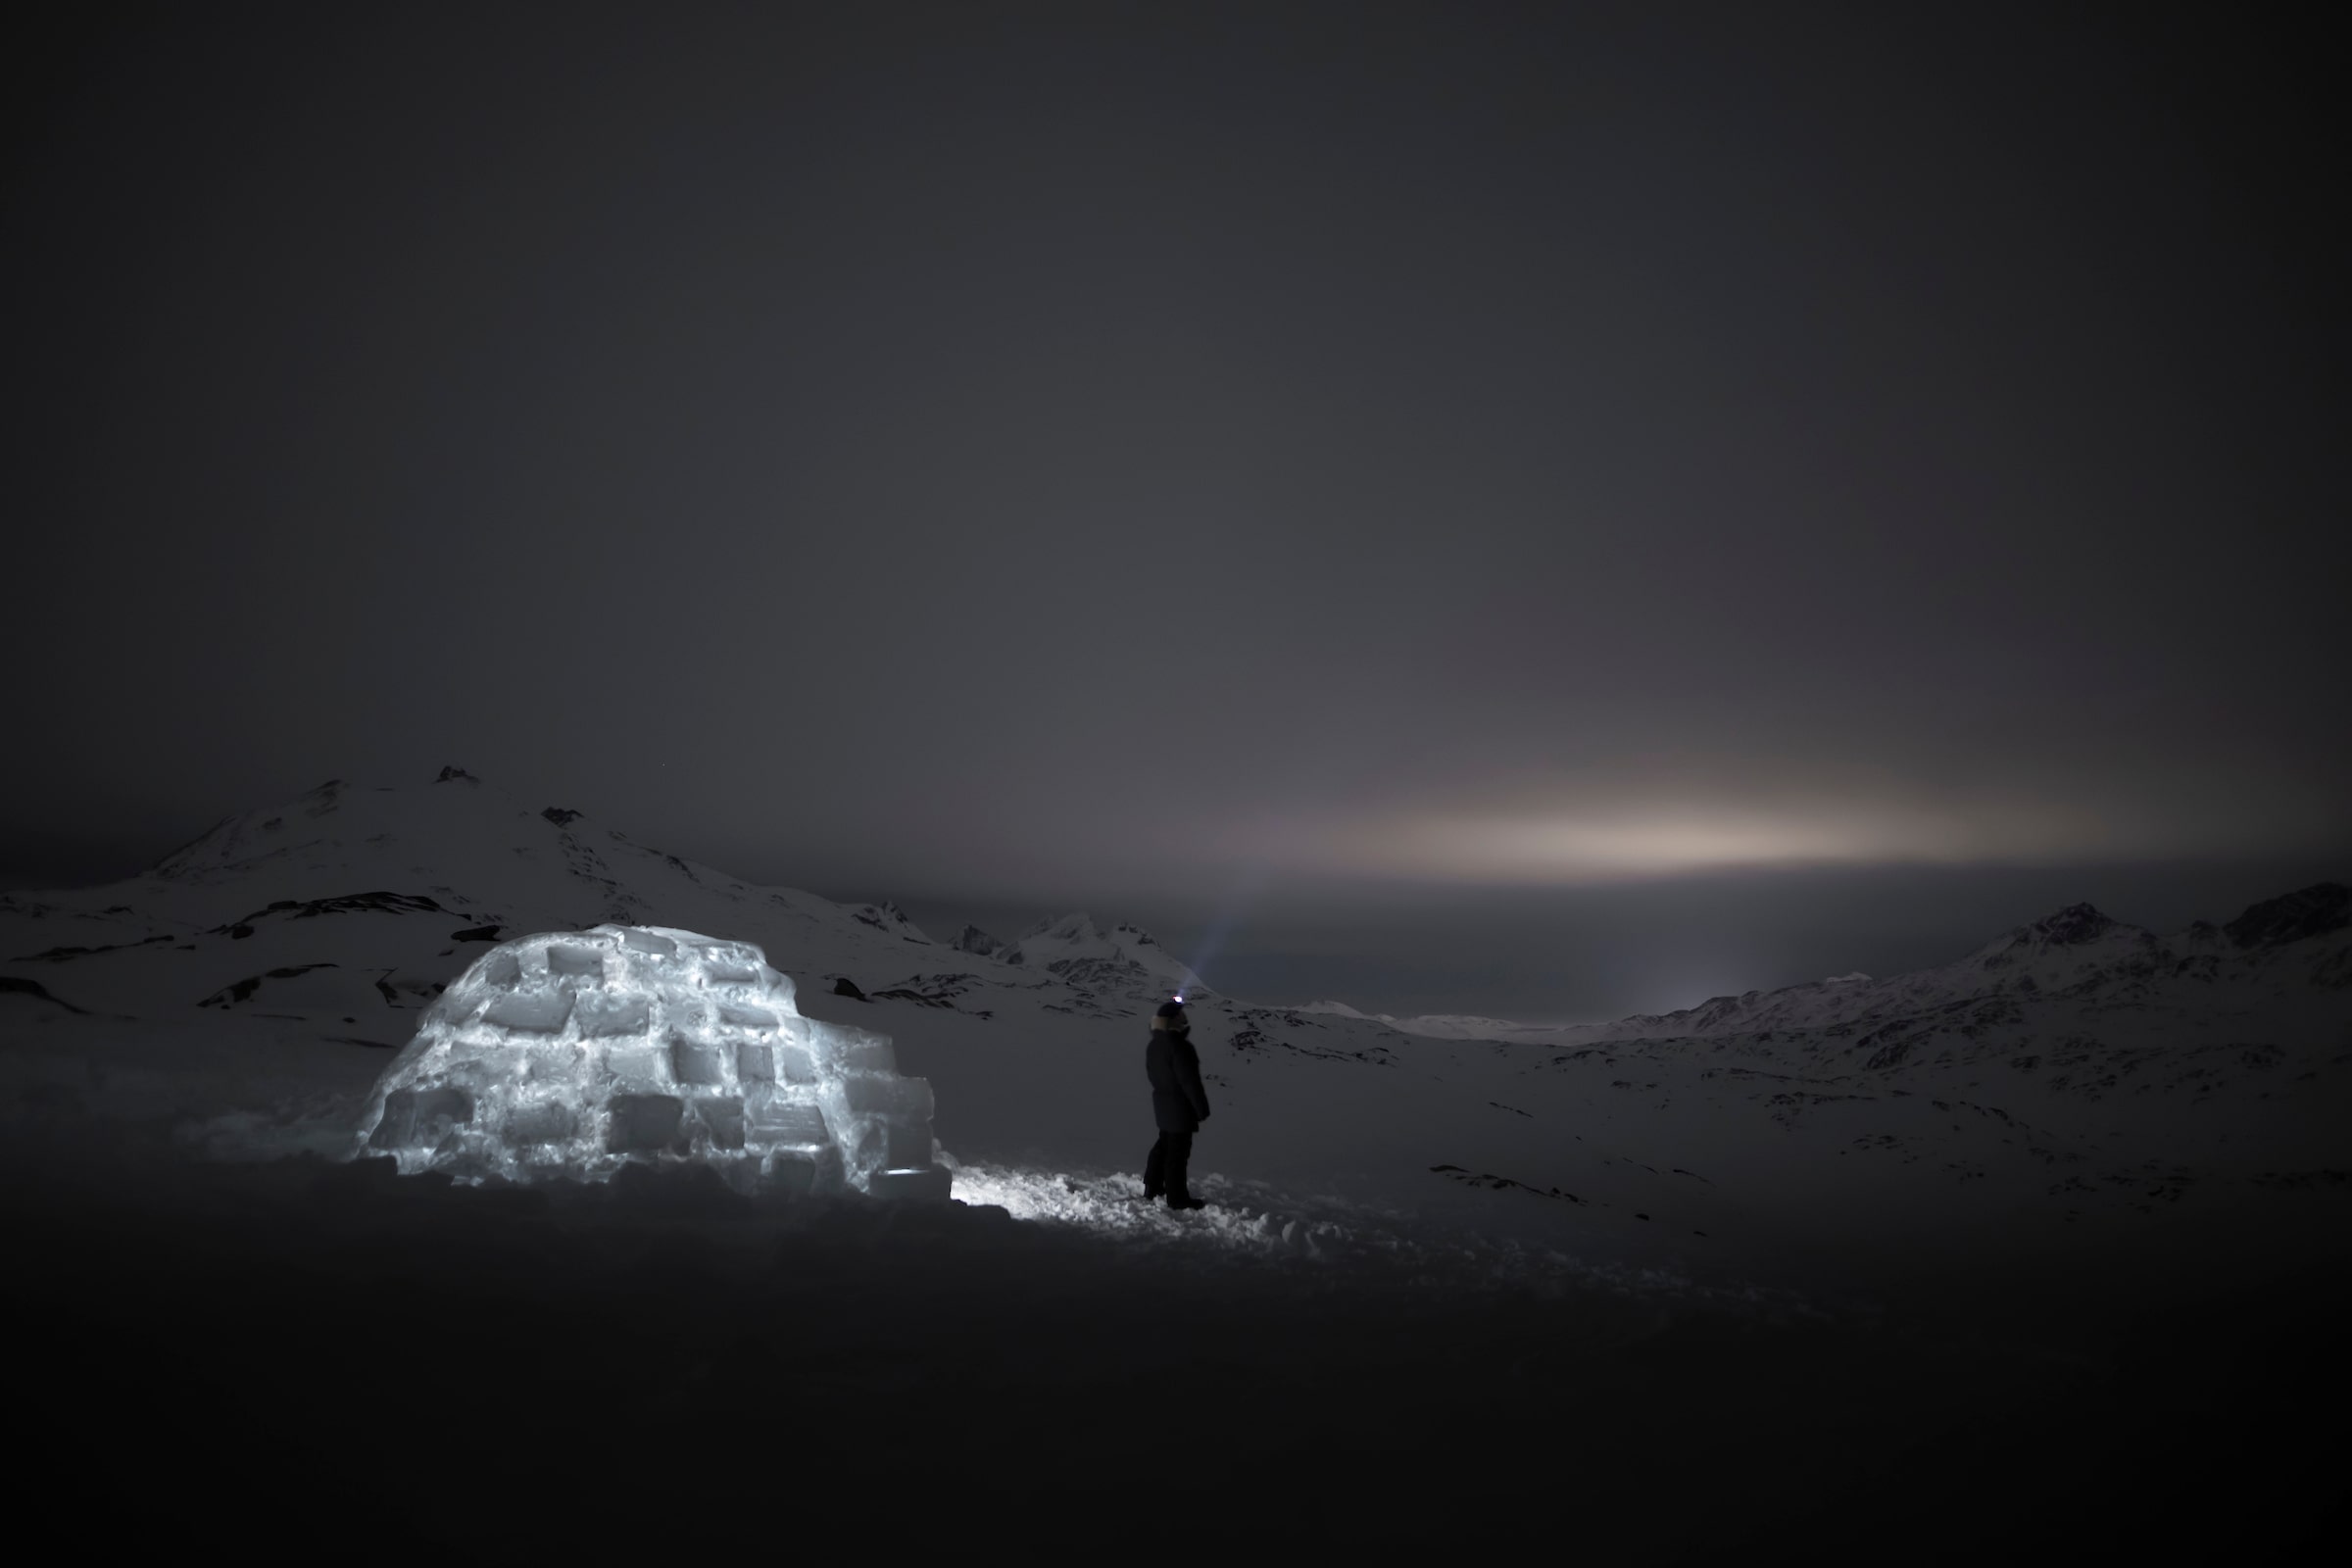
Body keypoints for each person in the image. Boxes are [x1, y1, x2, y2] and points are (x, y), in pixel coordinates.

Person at [1142, 998, 1210, 1208]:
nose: (1184, 1019)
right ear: (1172, 1020)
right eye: (1180, 1016)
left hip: (1162, 1106)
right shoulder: (1179, 1046)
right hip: (1180, 1107)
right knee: (1177, 1155)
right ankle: (1177, 1199)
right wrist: (1201, 1108)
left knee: (1163, 1146)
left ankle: (1152, 1186)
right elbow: (1189, 1081)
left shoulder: (1154, 1045)